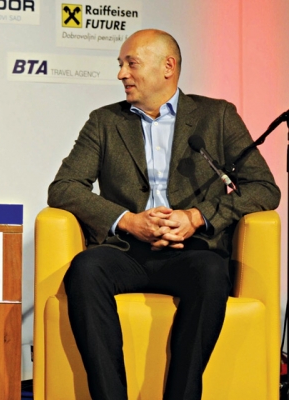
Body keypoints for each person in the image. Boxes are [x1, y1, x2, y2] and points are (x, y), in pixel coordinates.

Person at [47, 29, 280, 400]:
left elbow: (264, 188)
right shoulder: (104, 122)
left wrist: (196, 217)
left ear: (167, 67)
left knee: (211, 273)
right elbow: (64, 187)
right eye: (121, 65)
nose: (121, 74)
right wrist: (128, 220)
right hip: (126, 251)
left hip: (193, 251)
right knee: (86, 269)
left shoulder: (217, 117)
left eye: (131, 64)